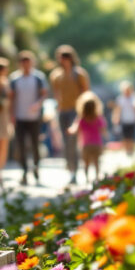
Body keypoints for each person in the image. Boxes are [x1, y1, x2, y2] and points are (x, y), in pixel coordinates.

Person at [49, 45, 89, 185]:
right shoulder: (56, 75)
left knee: (73, 141)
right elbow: (56, 94)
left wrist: (83, 113)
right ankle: (70, 168)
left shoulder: (79, 74)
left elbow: (85, 93)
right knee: (65, 143)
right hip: (62, 112)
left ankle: (75, 171)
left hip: (75, 111)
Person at [9, 50, 48, 185]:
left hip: (34, 117)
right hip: (20, 116)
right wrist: (11, 115)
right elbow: (11, 98)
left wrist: (38, 104)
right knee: (20, 145)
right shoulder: (15, 79)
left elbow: (44, 94)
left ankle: (36, 166)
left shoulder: (38, 77)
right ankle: (25, 170)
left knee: (35, 144)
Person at [68, 91, 106, 184]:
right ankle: (97, 177)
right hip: (97, 144)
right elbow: (103, 130)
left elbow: (76, 129)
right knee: (97, 162)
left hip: (85, 144)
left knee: (86, 163)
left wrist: (70, 130)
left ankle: (87, 178)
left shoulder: (81, 119)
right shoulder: (98, 118)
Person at [113, 81, 135, 156]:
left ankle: (131, 151)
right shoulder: (120, 98)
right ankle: (127, 151)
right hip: (124, 120)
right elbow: (117, 110)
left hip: (133, 120)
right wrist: (116, 119)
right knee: (125, 137)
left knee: (132, 137)